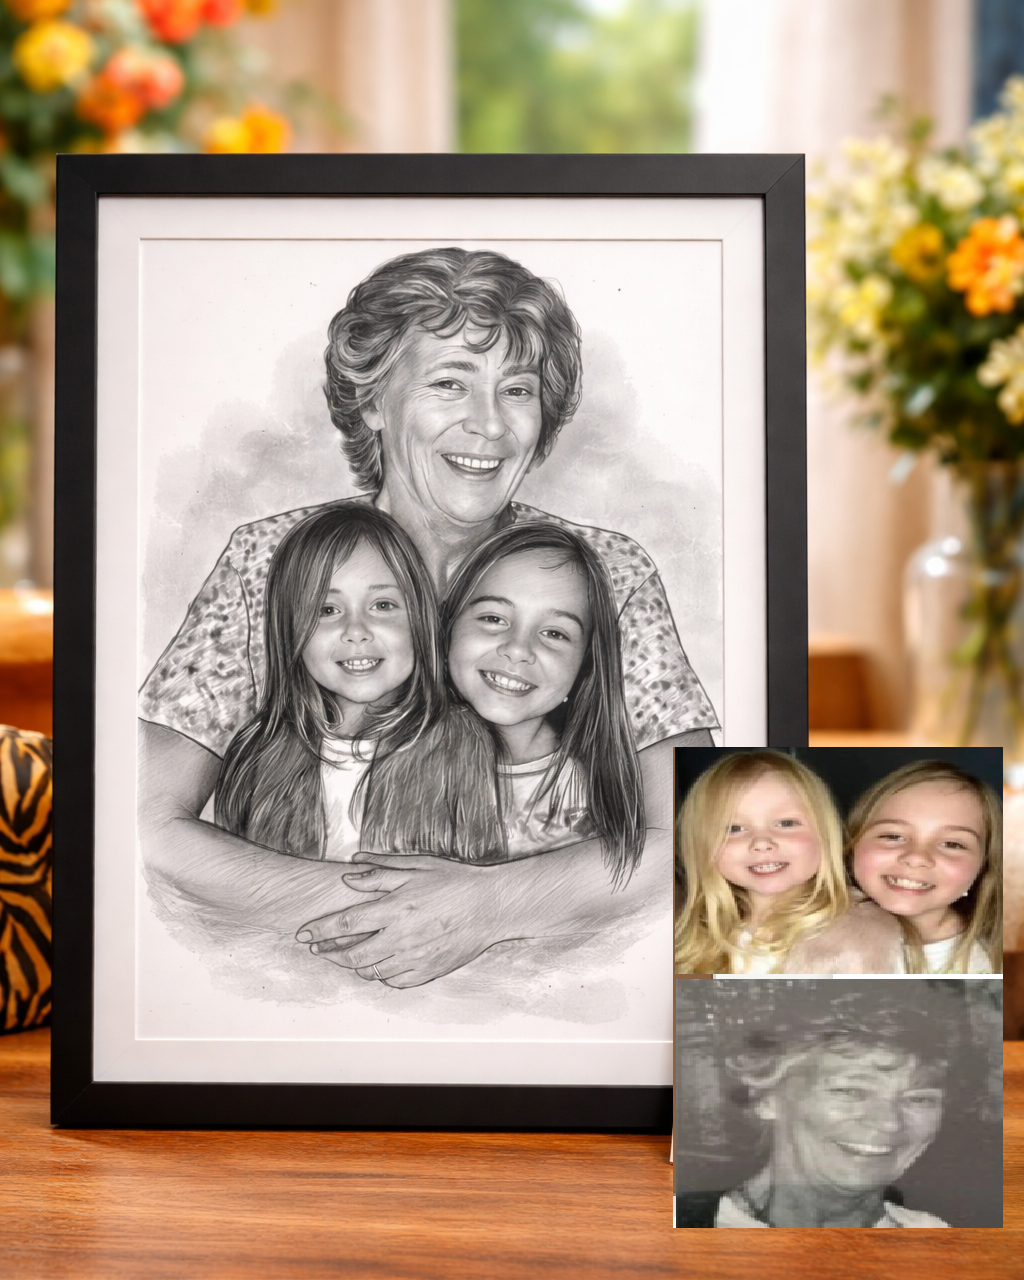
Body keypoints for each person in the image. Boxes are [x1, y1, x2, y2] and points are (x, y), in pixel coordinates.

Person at [138, 247, 714, 982]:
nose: (491, 426)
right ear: (373, 402)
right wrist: (393, 910)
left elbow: (696, 829)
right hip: (297, 986)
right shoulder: (271, 560)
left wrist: (491, 907)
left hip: (548, 993)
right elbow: (144, 822)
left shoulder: (605, 571)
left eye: (517, 390)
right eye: (450, 383)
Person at [214, 504, 443, 861]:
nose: (356, 631)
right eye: (327, 610)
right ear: (290, 631)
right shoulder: (258, 756)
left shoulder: (462, 746)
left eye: (382, 605)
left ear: (420, 618)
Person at [676, 994, 954, 1228]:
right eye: (850, 1091)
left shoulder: (937, 1241)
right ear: (767, 1099)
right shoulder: (680, 1223)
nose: (889, 1122)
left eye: (919, 1099)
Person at [674, 751, 901, 974]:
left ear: (825, 833)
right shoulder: (691, 938)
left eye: (786, 823)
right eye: (734, 828)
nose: (762, 843)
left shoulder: (868, 945)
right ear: (701, 845)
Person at [849, 760, 1002, 974]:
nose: (916, 857)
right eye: (893, 836)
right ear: (853, 844)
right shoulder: (810, 931)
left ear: (983, 866)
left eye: (952, 844)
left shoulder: (991, 966)